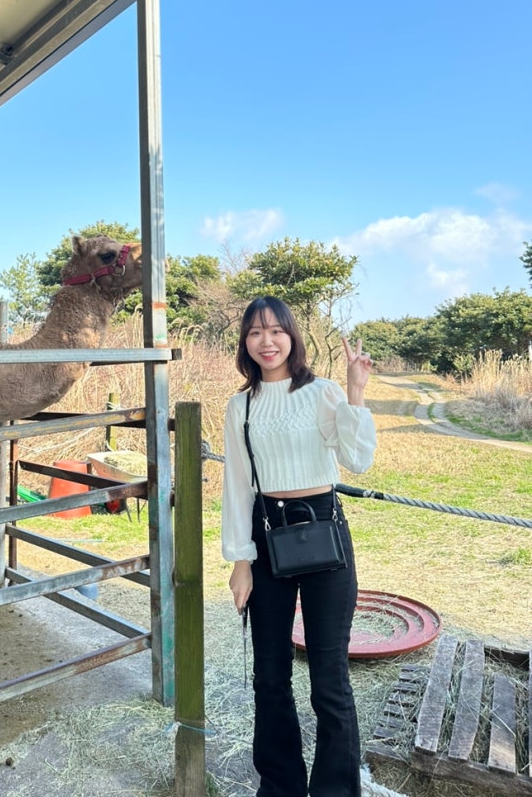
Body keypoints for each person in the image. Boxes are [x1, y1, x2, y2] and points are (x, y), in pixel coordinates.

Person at [222, 296, 377, 797]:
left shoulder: (323, 392)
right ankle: (281, 785)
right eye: (254, 333)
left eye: (275, 331)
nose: (266, 342)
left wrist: (355, 392)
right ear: (245, 343)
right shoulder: (240, 406)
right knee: (269, 676)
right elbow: (238, 487)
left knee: (329, 680)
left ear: (292, 335)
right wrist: (241, 560)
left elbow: (357, 460)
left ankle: (335, 790)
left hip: (326, 536)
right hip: (267, 540)